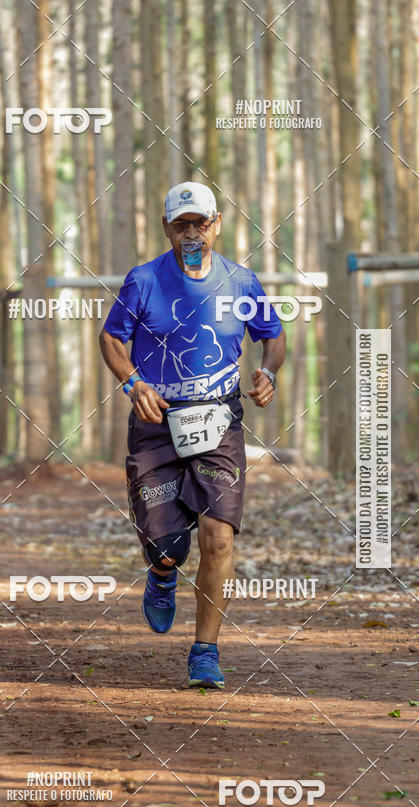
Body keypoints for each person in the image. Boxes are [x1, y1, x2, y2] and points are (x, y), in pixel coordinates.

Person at [99, 181, 285, 689]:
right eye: (180, 224)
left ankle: (206, 651)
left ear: (216, 224)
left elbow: (272, 335)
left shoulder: (241, 283)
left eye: (199, 223)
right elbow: (112, 338)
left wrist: (268, 372)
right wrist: (133, 382)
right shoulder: (143, 281)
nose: (191, 233)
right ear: (166, 228)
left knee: (218, 537)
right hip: (157, 422)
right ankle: (161, 574)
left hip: (219, 422)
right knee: (167, 546)